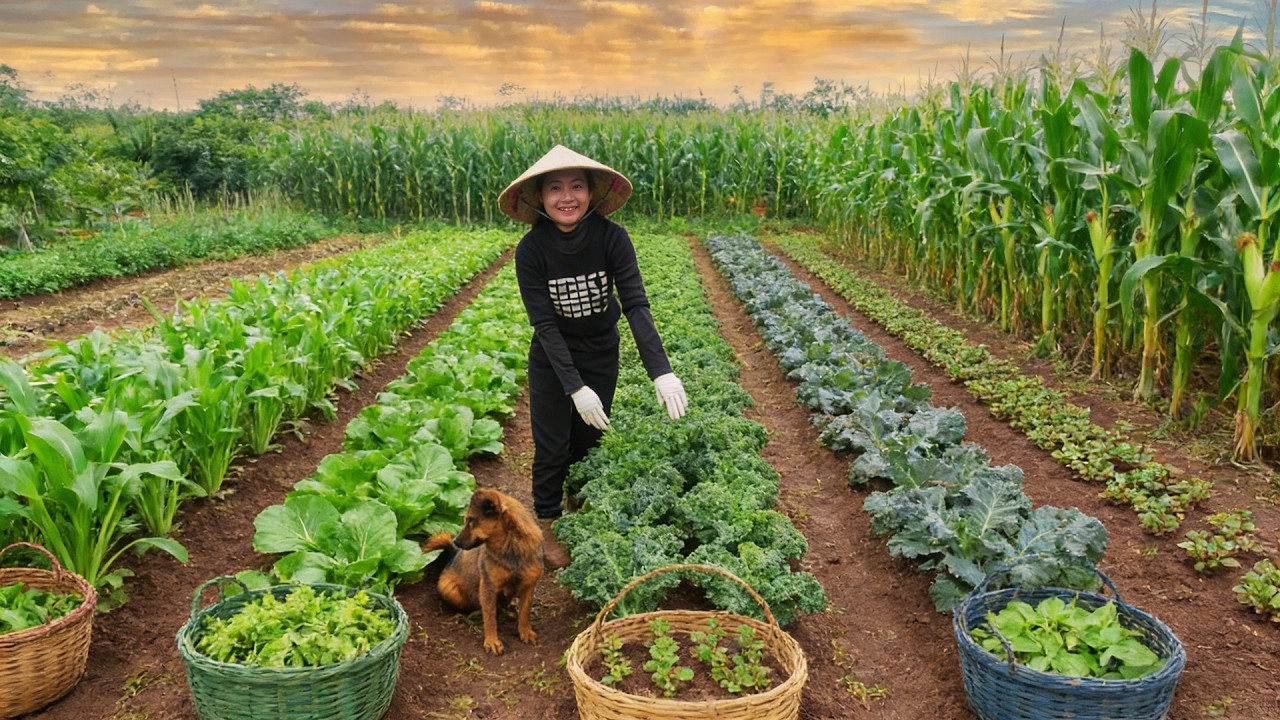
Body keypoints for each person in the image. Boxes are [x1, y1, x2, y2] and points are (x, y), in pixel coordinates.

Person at [500, 144, 689, 569]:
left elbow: (636, 305)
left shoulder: (611, 237)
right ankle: (547, 524)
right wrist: (573, 386)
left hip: (601, 351)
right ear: (540, 198)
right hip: (552, 360)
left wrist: (662, 372)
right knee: (552, 445)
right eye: (555, 188)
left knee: (590, 440)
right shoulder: (531, 251)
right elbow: (544, 325)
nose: (567, 197)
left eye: (576, 186)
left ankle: (581, 513)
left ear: (591, 193)